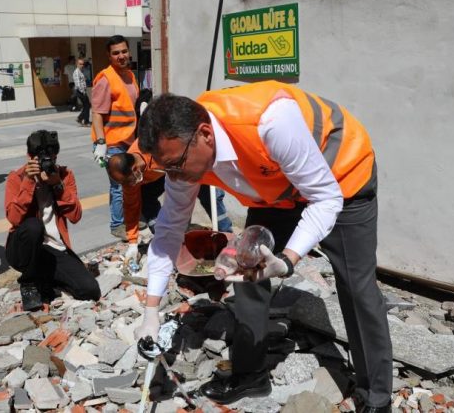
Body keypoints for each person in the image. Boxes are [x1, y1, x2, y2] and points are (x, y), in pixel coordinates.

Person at [135, 81, 392, 412]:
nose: (172, 174)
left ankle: (377, 398)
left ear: (205, 135)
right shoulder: (182, 157)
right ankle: (251, 374)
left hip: (341, 179)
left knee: (357, 288)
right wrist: (151, 311)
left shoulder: (271, 122)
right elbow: (169, 230)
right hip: (277, 193)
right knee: (247, 273)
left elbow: (325, 199)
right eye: (164, 167)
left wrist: (286, 259)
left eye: (175, 164)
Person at [4, 130, 101, 311]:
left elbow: (76, 216)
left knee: (89, 290)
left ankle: (45, 276)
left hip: (54, 248)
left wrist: (58, 185)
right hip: (22, 249)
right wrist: (29, 182)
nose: (46, 164)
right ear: (29, 157)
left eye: (51, 159)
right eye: (41, 161)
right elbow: (14, 219)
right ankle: (29, 283)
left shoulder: (65, 175)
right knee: (33, 226)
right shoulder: (16, 178)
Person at [107, 141, 233, 265]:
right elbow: (131, 208)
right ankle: (167, 241)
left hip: (183, 164)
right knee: (145, 198)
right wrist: (133, 243)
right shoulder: (129, 178)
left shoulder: (158, 146)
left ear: (134, 169)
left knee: (209, 195)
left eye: (129, 182)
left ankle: (227, 238)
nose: (128, 186)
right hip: (159, 174)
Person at [91, 35, 139, 241]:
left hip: (129, 140)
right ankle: (117, 224)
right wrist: (101, 143)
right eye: (116, 53)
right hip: (111, 143)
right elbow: (97, 114)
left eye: (124, 51)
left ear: (129, 51)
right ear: (109, 56)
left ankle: (130, 220)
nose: (121, 56)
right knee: (118, 185)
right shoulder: (105, 79)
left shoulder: (130, 75)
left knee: (132, 182)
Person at [73, 59, 91, 127]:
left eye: (83, 64)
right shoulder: (77, 72)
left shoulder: (81, 71)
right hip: (80, 92)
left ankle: (80, 118)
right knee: (87, 105)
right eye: (80, 64)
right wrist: (83, 92)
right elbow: (78, 84)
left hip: (82, 91)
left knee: (87, 106)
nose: (82, 65)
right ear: (77, 64)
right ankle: (85, 121)